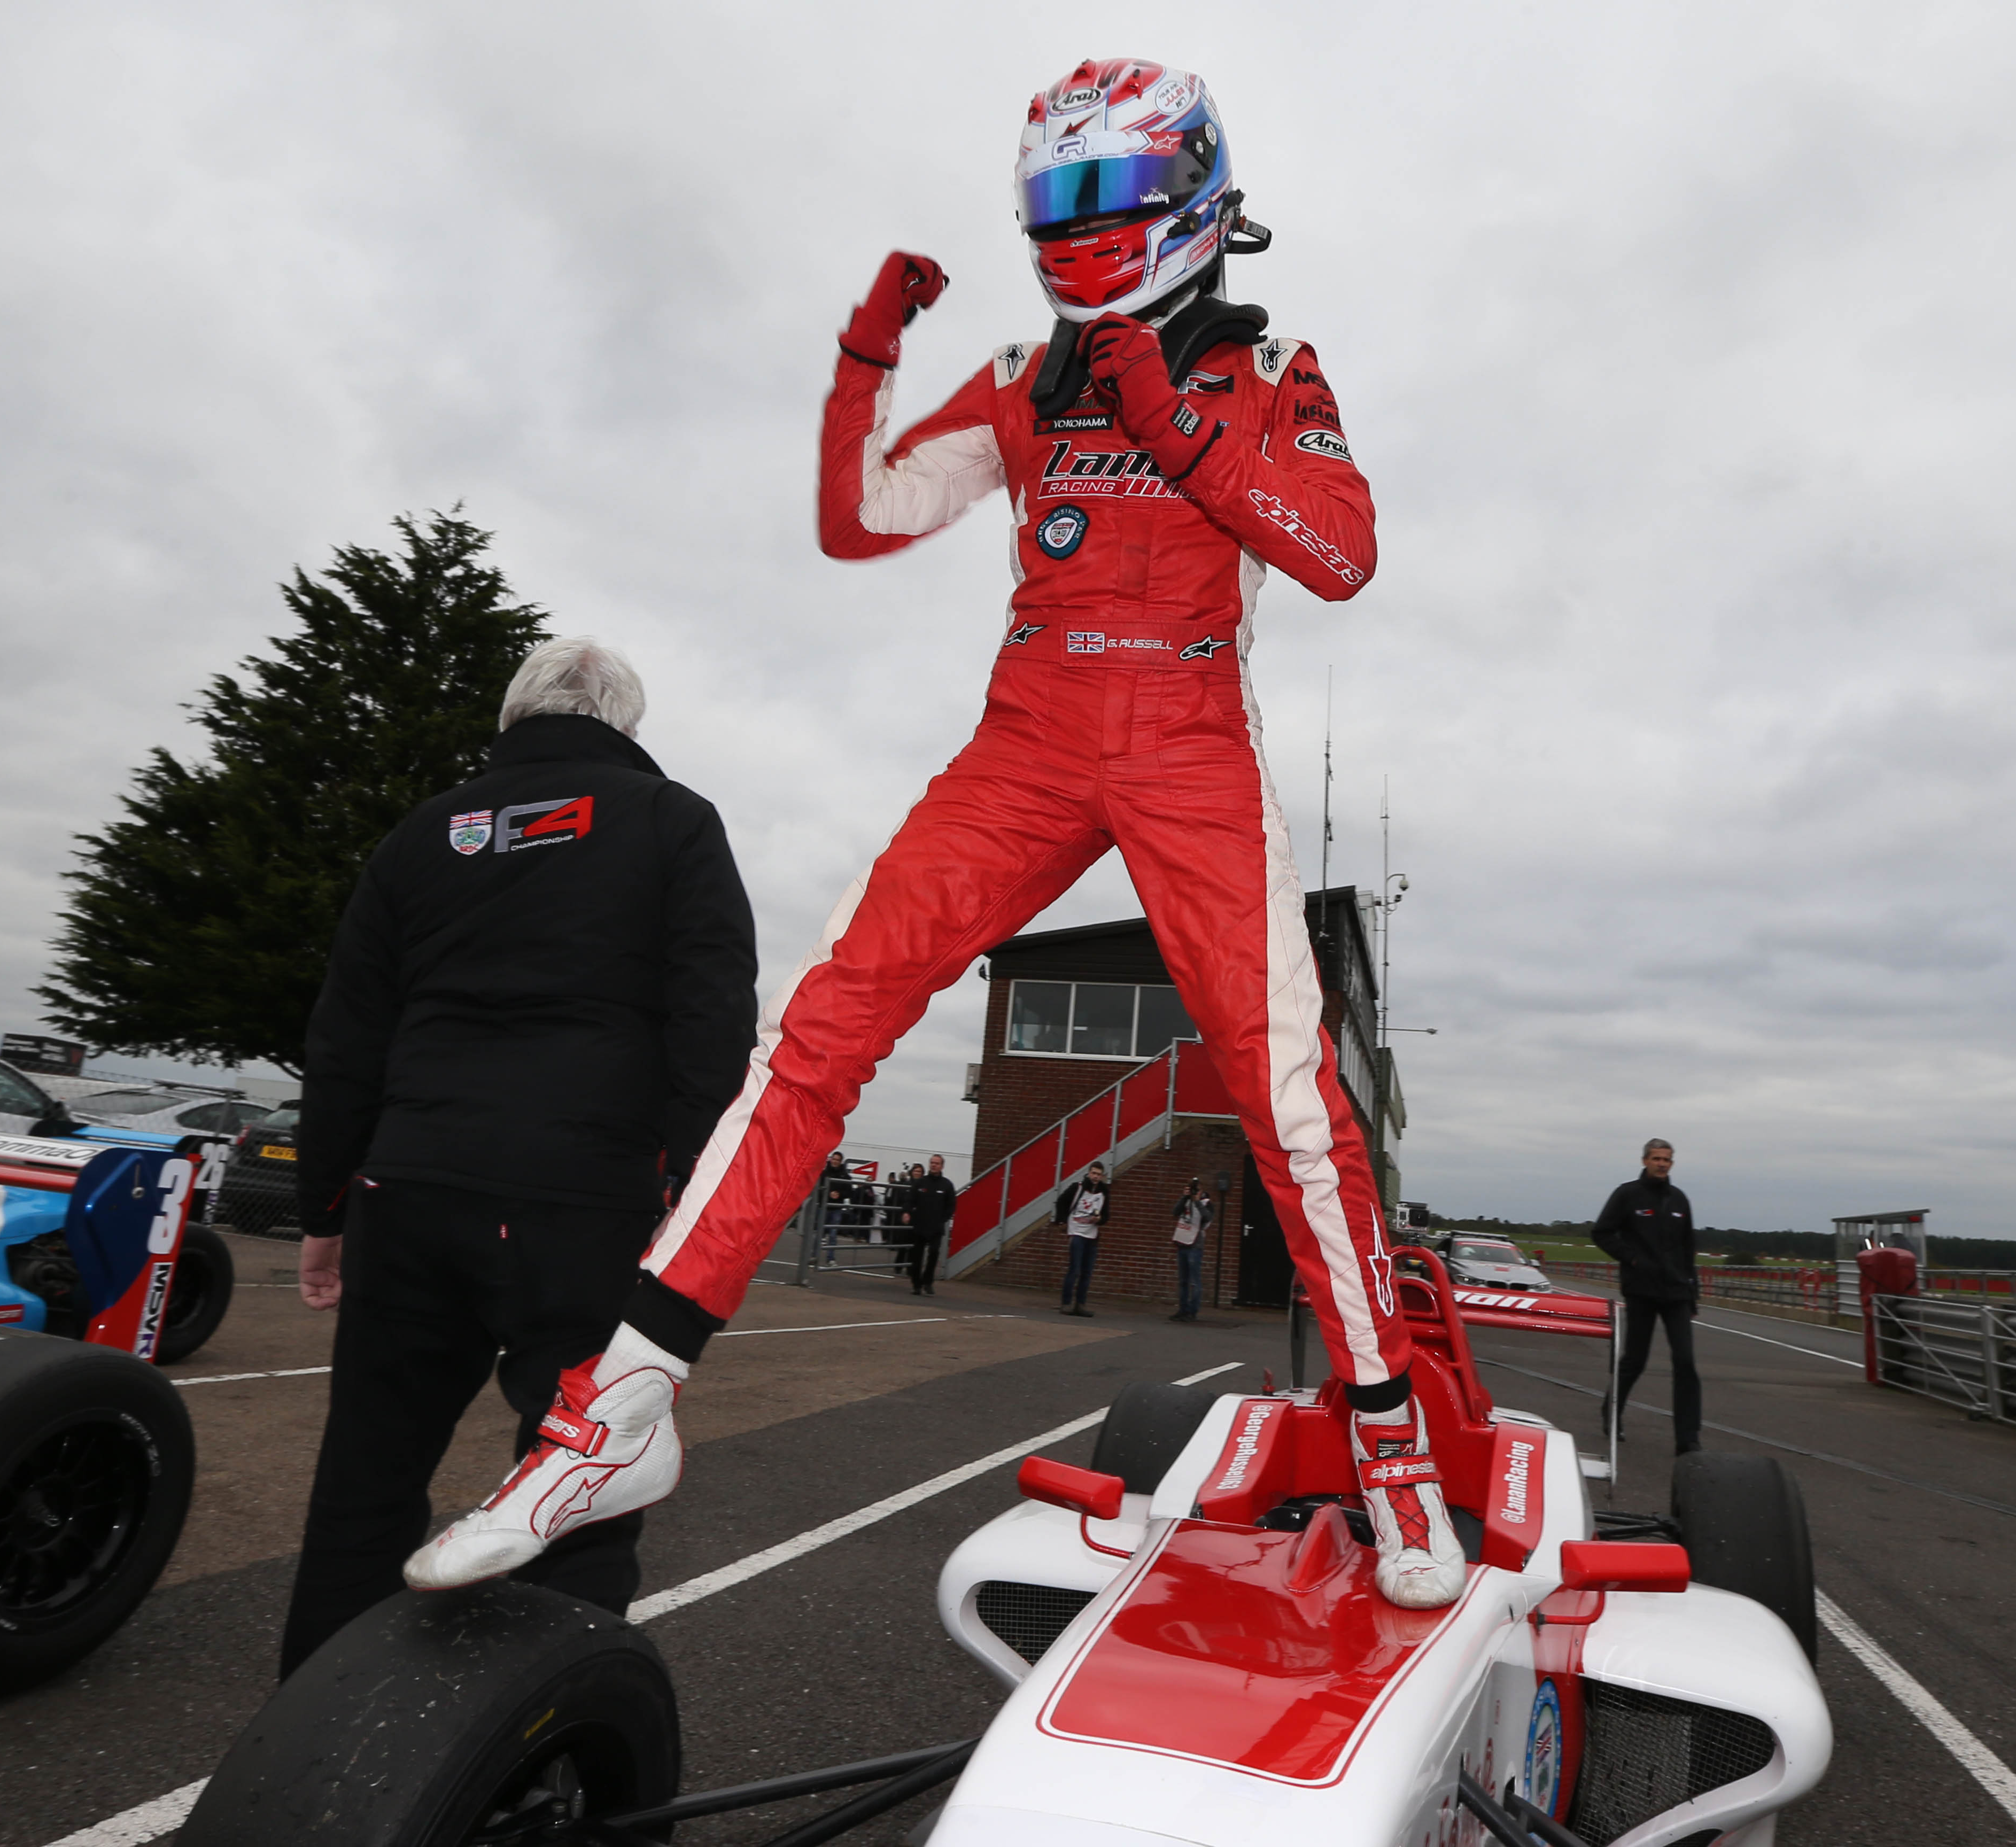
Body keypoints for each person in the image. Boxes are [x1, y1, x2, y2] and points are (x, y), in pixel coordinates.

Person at [410, 59, 1467, 1612]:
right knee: (821, 1028)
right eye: (1054, 206)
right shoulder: (1021, 373)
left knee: (1288, 1097)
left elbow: (1341, 555)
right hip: (1030, 735)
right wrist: (864, 356)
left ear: (1191, 201)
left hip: (1184, 736)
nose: (1076, 233)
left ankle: (1389, 1443)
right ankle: (618, 1407)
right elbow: (866, 518)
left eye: (1103, 202)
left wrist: (1176, 420)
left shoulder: (1271, 361)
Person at [277, 638, 758, 1677]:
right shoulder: (674, 823)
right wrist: (691, 1192)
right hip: (583, 1204)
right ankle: (563, 1771)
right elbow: (713, 1024)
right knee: (577, 1482)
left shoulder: (421, 836)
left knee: (366, 1478)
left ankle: (309, 1749)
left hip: (409, 1189)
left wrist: (325, 1211)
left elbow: (346, 1035)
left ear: (512, 720)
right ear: (626, 726)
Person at [1592, 1138, 1702, 1455]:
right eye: (1656, 1158)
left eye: (1667, 1159)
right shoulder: (1628, 1195)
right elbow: (1602, 1233)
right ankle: (1612, 1411)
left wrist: (1692, 1292)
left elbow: (1687, 1248)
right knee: (1635, 1361)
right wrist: (1633, 1259)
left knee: (1685, 1362)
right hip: (1642, 1289)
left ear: (1672, 1164)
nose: (1661, 1164)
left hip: (1677, 1292)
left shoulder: (1680, 1200)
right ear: (1645, 1161)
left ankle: (1688, 1438)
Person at [1052, 1160, 1110, 1316]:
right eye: (1094, 1173)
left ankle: (1081, 1304)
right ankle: (1066, 1303)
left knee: (1087, 1271)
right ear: (1089, 1173)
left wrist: (1100, 1220)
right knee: (1075, 1269)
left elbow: (1106, 1215)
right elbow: (1061, 1202)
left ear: (1102, 1176)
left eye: (1099, 1174)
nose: (1096, 1177)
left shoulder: (1104, 1192)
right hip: (1077, 1232)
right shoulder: (1077, 1188)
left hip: (1092, 1234)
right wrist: (1062, 1221)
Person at [904, 1155, 957, 1295]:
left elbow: (951, 1206)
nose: (934, 1165)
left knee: (934, 1254)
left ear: (942, 1166)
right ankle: (916, 1285)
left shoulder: (947, 1185)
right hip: (920, 1225)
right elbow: (910, 1200)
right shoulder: (921, 1183)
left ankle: (928, 1282)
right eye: (932, 1163)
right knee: (917, 1256)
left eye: (937, 1163)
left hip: (936, 1227)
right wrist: (907, 1212)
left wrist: (943, 1219)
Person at [1170, 1177, 1213, 1322]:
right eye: (1192, 1189)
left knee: (1195, 1281)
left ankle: (1192, 1312)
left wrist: (1196, 1200)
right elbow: (1175, 1212)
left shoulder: (1206, 1203)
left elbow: (1208, 1217)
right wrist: (1185, 1197)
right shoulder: (1186, 1201)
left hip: (1195, 1246)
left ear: (1201, 1191)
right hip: (1183, 1244)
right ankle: (1182, 1310)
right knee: (1183, 1280)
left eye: (1197, 1190)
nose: (1195, 1192)